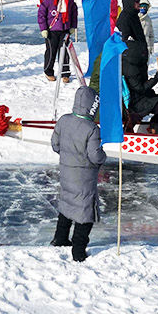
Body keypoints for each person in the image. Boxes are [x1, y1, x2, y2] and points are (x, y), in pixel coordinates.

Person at [50, 87, 107, 263]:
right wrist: (103, 156)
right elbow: (95, 155)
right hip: (84, 176)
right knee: (85, 210)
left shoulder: (64, 120)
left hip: (66, 171)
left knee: (67, 203)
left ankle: (60, 239)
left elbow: (55, 144)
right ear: (93, 106)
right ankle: (78, 250)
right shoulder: (92, 128)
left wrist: (68, 157)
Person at [37, 0, 78, 83]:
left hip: (65, 29)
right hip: (52, 30)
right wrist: (43, 28)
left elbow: (74, 13)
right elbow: (41, 14)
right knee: (51, 52)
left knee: (64, 52)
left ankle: (65, 73)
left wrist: (73, 26)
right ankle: (48, 72)